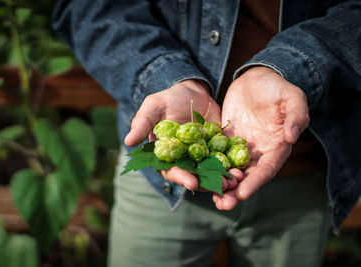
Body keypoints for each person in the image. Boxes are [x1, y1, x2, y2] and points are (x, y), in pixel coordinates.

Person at [52, 0, 361, 266]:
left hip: (308, 168)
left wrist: (290, 66)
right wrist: (163, 76)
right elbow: (92, 8)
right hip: (160, 188)